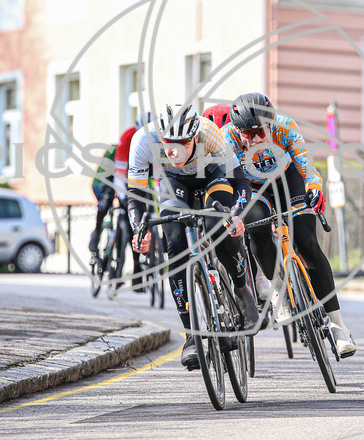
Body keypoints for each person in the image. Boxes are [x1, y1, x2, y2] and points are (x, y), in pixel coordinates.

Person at [221, 92, 356, 358]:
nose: (256, 138)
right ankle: (278, 292)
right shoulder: (227, 138)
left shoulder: (284, 127)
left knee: (306, 243)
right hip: (252, 188)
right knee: (257, 232)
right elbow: (226, 181)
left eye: (260, 130)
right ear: (238, 130)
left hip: (287, 180)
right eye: (248, 133)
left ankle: (338, 326)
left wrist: (315, 188)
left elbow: (306, 166)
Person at [128, 102, 260, 370]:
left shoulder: (212, 134)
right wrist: (139, 229)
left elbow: (241, 182)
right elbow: (136, 196)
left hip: (211, 176)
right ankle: (191, 335)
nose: (174, 151)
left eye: (184, 143)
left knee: (217, 224)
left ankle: (241, 288)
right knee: (175, 243)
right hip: (171, 182)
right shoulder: (143, 141)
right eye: (168, 143)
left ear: (196, 137)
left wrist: (236, 213)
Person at [203, 103, 270, 302]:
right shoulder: (201, 140)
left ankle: (259, 277)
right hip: (215, 183)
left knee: (250, 226)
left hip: (243, 182)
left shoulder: (240, 137)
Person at [88, 125, 146, 291]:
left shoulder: (148, 148)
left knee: (132, 222)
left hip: (131, 176)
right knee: (105, 203)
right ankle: (97, 232)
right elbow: (118, 179)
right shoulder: (121, 146)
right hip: (108, 177)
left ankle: (135, 269)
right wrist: (124, 200)